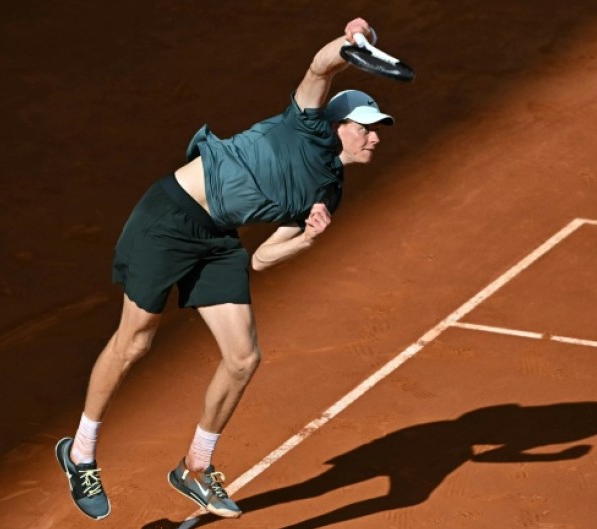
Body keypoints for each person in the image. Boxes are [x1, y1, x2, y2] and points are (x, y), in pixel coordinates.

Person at [54, 17, 394, 521]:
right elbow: (320, 68)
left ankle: (195, 466)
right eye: (366, 127)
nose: (375, 138)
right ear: (337, 125)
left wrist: (307, 236)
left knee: (243, 358)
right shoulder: (303, 126)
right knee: (136, 341)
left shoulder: (329, 194)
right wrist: (350, 43)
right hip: (170, 218)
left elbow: (262, 258)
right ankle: (79, 453)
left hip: (216, 241)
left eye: (378, 129)